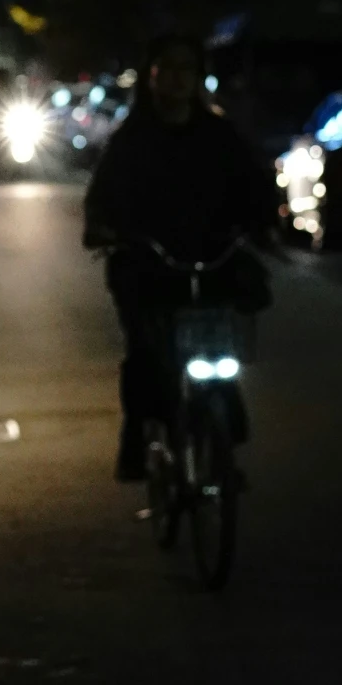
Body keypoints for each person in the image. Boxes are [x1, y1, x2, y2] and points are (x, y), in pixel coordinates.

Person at [84, 33, 280, 481]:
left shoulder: (219, 134)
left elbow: (251, 184)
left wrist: (262, 222)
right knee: (147, 354)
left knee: (227, 327)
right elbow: (103, 197)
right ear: (151, 77)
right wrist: (104, 230)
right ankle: (139, 434)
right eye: (166, 69)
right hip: (149, 260)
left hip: (211, 255)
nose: (176, 79)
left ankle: (223, 409)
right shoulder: (131, 140)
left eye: (185, 70)